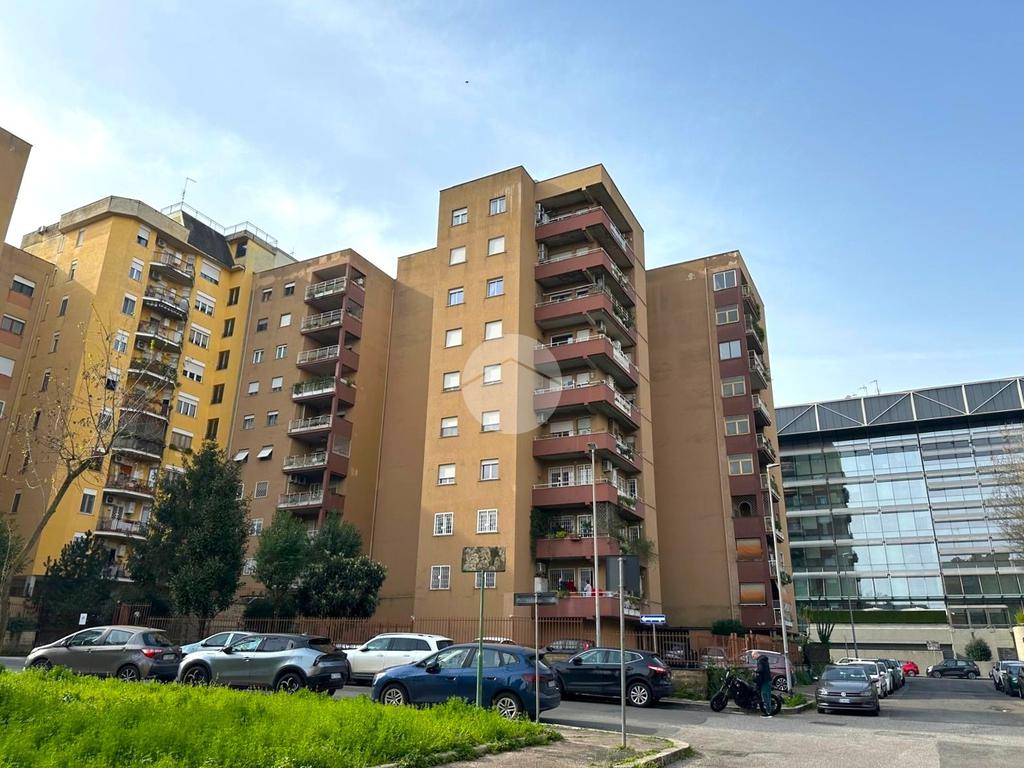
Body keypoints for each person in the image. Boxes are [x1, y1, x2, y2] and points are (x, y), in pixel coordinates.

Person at [753, 650, 773, 718]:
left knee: (765, 696)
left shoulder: (760, 660)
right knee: (768, 695)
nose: (753, 658)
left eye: (753, 656)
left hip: (764, 680)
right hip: (768, 679)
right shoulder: (764, 659)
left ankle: (768, 712)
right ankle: (770, 711)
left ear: (756, 654)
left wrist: (756, 670)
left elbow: (761, 670)